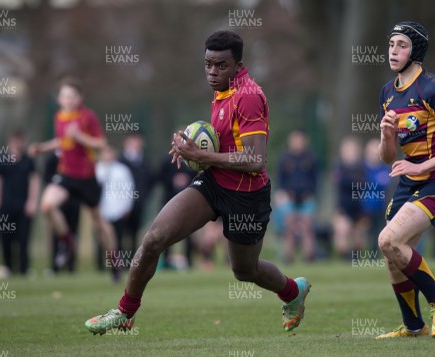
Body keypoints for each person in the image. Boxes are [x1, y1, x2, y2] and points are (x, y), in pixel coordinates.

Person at [85, 31, 310, 335]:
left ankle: (293, 293)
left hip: (247, 197)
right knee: (153, 240)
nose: (212, 72)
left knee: (245, 270)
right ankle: (124, 312)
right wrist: (191, 152)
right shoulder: (222, 90)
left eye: (221, 66)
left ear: (238, 65)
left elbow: (256, 160)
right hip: (214, 184)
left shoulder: (249, 96)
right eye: (207, 64)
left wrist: (207, 154)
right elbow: (221, 142)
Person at [375, 22, 435, 339]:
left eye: (401, 44)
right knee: (393, 251)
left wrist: (422, 167)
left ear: (415, 50)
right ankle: (413, 325)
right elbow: (387, 158)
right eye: (391, 44)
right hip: (412, 180)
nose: (393, 50)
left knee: (387, 240)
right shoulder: (388, 93)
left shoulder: (433, 89)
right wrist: (386, 135)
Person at [29, 77, 118, 280]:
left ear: (80, 98)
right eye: (64, 96)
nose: (67, 99)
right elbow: (61, 141)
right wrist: (41, 148)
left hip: (87, 178)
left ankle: (114, 261)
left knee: (99, 223)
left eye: (71, 96)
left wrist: (80, 137)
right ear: (59, 99)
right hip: (66, 175)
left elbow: (101, 143)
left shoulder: (88, 117)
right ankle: (67, 241)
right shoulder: (59, 117)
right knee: (47, 206)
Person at [0, 131, 40, 275]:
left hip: (23, 206)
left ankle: (24, 269)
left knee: (24, 239)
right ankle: (8, 267)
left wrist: (32, 202)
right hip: (6, 206)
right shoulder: (1, 160)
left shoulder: (28, 160)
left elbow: (34, 181)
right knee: (6, 239)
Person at [277, 130, 319, 263]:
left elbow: (316, 180)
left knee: (307, 225)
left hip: (306, 198)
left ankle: (309, 257)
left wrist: (311, 194)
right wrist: (283, 194)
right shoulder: (284, 158)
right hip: (289, 198)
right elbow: (280, 180)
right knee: (289, 225)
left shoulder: (311, 158)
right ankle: (288, 257)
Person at [95, 144, 135, 272]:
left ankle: (117, 267)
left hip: (118, 211)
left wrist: (126, 207)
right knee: (102, 241)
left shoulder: (122, 170)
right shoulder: (97, 169)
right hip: (102, 212)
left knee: (117, 240)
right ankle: (102, 266)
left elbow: (129, 189)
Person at [155, 150, 197, 269]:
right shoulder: (167, 161)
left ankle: (189, 260)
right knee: (167, 232)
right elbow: (159, 177)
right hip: (169, 202)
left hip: (188, 202)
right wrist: (173, 180)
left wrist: (187, 180)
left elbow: (198, 177)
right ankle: (167, 261)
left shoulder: (193, 161)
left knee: (188, 232)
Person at [119, 133, 155, 258]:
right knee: (120, 234)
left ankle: (132, 261)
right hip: (122, 204)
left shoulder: (145, 162)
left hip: (138, 203)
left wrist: (143, 196)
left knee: (135, 233)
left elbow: (150, 181)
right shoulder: (120, 162)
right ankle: (118, 262)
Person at [331, 136, 365, 260]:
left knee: (358, 238)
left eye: (352, 150)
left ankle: (355, 259)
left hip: (359, 207)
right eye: (347, 151)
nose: (350, 154)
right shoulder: (339, 167)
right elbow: (341, 182)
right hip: (343, 207)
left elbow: (363, 184)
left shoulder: (362, 167)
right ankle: (344, 258)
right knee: (342, 232)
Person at [361, 138, 392, 254]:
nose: (374, 155)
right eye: (371, 152)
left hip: (381, 207)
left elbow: (387, 185)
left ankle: (374, 255)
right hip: (364, 208)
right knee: (364, 233)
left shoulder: (384, 168)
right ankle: (355, 256)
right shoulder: (361, 168)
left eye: (376, 152)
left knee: (377, 233)